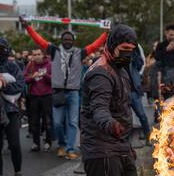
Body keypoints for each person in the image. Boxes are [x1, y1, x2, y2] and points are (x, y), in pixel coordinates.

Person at [81, 24, 153, 176]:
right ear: (111, 45)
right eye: (124, 49)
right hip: (100, 150)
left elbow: (125, 106)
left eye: (132, 50)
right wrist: (110, 124)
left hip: (121, 147)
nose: (128, 54)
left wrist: (126, 141)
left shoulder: (121, 68)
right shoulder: (100, 73)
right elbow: (99, 108)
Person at [20, 16, 108, 160]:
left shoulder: (80, 53)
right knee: (57, 123)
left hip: (73, 93)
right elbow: (39, 40)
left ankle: (70, 149)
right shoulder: (54, 51)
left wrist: (105, 34)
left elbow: (94, 45)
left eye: (70, 39)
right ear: (62, 41)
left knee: (73, 122)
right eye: (65, 39)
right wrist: (28, 27)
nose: (67, 41)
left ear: (73, 41)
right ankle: (62, 144)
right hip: (58, 93)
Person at [0, 37, 25, 176]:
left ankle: (18, 171)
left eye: (3, 49)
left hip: (10, 111)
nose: (0, 52)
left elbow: (20, 85)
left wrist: (2, 85)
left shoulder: (13, 66)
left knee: (15, 145)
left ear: (8, 50)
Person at [24, 48, 53, 152]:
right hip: (34, 96)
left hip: (47, 96)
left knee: (48, 120)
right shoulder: (30, 66)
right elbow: (25, 79)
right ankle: (36, 143)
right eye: (34, 54)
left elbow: (54, 80)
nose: (36, 56)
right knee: (34, 121)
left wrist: (45, 75)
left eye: (38, 54)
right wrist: (32, 77)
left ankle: (48, 142)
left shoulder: (49, 64)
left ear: (43, 55)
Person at [154, 24, 174, 101]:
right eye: (171, 35)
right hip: (164, 78)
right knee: (166, 101)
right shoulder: (161, 45)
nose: (173, 37)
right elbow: (156, 58)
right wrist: (166, 49)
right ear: (166, 34)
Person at [127, 44, 151, 145]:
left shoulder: (134, 54)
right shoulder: (117, 56)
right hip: (122, 91)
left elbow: (141, 64)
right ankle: (127, 141)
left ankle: (148, 137)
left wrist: (134, 52)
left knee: (142, 115)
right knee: (125, 118)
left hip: (134, 91)